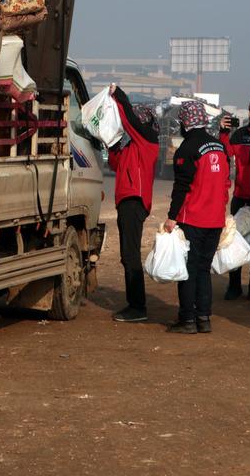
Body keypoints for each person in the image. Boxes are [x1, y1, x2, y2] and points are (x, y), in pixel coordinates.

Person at [165, 101, 231, 334]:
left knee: (188, 271)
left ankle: (188, 320)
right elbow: (225, 183)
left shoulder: (187, 149)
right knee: (204, 270)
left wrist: (172, 217)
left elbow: (181, 186)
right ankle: (204, 318)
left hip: (192, 218)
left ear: (185, 122)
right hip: (215, 219)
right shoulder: (220, 147)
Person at [107, 84, 161, 323]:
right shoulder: (133, 145)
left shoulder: (147, 140)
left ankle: (137, 307)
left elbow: (130, 120)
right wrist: (111, 144)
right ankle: (135, 304)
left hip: (134, 202)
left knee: (130, 255)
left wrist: (119, 96)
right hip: (126, 202)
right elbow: (115, 164)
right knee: (127, 255)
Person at [219, 94, 250, 300]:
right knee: (234, 241)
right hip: (240, 198)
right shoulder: (239, 135)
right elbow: (225, 153)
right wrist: (223, 132)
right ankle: (234, 285)